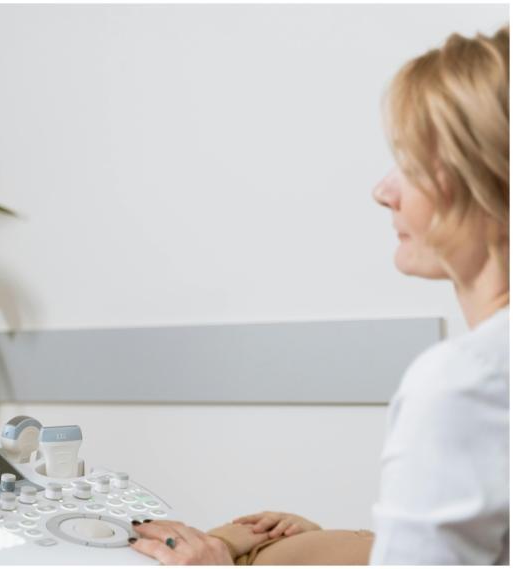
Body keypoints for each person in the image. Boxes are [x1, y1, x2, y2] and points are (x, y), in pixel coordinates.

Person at [129, 23, 509, 565]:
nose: (384, 192)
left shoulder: (467, 383)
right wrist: (329, 547)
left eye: (409, 165)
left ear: (482, 179)